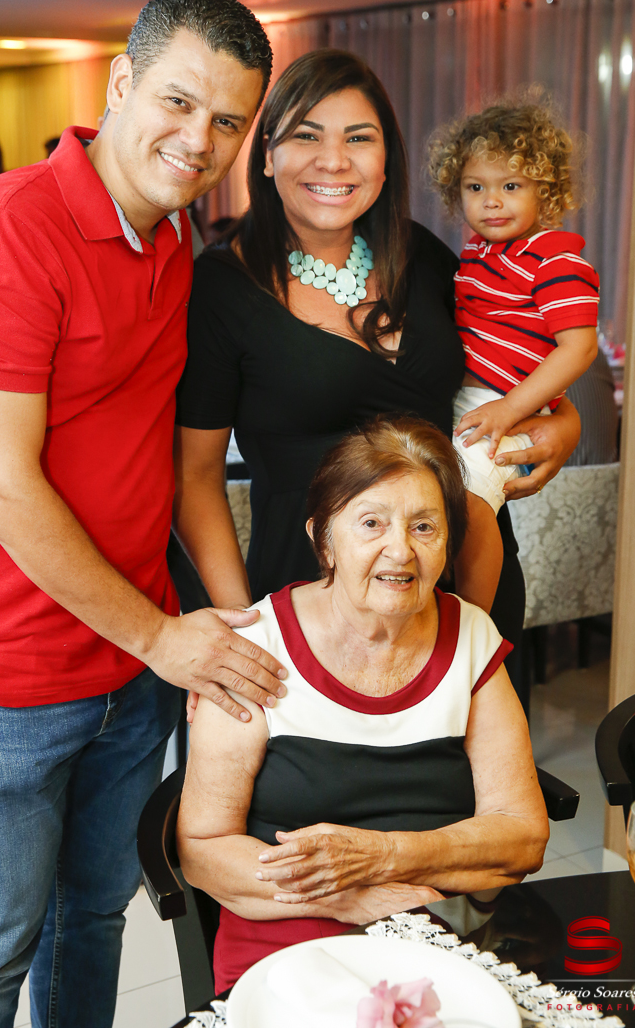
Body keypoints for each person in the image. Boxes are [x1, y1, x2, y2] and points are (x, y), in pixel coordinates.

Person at [0, 0, 288, 1028]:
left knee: (94, 920)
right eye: (177, 102)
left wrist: (184, 635)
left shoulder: (170, 241)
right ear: (120, 84)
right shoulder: (2, 229)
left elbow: (165, 456)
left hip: (130, 666)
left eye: (227, 122)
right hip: (4, 674)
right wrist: (162, 637)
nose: (198, 141)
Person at [173, 50, 581, 705]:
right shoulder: (222, 288)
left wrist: (566, 423)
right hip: (312, 602)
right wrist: (244, 628)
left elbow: (518, 356)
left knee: (480, 766)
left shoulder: (420, 255)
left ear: (386, 159)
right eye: (307, 136)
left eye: (358, 139)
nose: (334, 161)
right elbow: (194, 479)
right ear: (267, 154)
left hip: (463, 578)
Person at [177, 416, 549, 992]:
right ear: (323, 540)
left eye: (424, 527)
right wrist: (344, 895)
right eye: (371, 523)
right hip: (287, 941)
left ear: (448, 544)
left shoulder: (471, 637)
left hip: (443, 935)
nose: (399, 550)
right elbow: (203, 849)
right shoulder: (255, 649)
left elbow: (523, 836)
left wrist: (383, 857)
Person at [427, 100, 599, 609]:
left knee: (472, 497)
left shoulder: (555, 258)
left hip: (509, 404)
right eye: (475, 187)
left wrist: (511, 408)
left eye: (510, 186)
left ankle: (475, 624)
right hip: (470, 401)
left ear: (545, 190)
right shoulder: (475, 256)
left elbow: (580, 347)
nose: (492, 202)